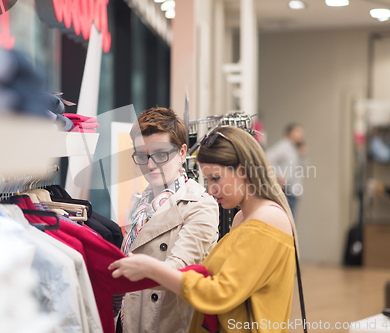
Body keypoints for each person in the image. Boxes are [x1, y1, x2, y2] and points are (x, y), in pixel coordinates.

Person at [110, 126, 299, 333]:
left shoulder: (267, 218)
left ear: (243, 170)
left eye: (215, 178)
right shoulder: (241, 217)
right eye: (208, 179)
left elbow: (220, 293)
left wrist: (152, 269)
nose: (211, 189)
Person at [117, 107, 219, 333]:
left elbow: (179, 271)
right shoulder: (140, 203)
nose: (150, 165)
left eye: (161, 155)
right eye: (142, 156)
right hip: (129, 319)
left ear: (182, 153)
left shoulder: (200, 205)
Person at [265, 123, 307, 216]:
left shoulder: (296, 148)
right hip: (285, 191)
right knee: (287, 217)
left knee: (292, 218)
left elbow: (302, 168)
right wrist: (278, 176)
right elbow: (267, 159)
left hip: (294, 190)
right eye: (297, 131)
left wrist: (303, 155)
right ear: (289, 133)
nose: (300, 134)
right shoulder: (283, 146)